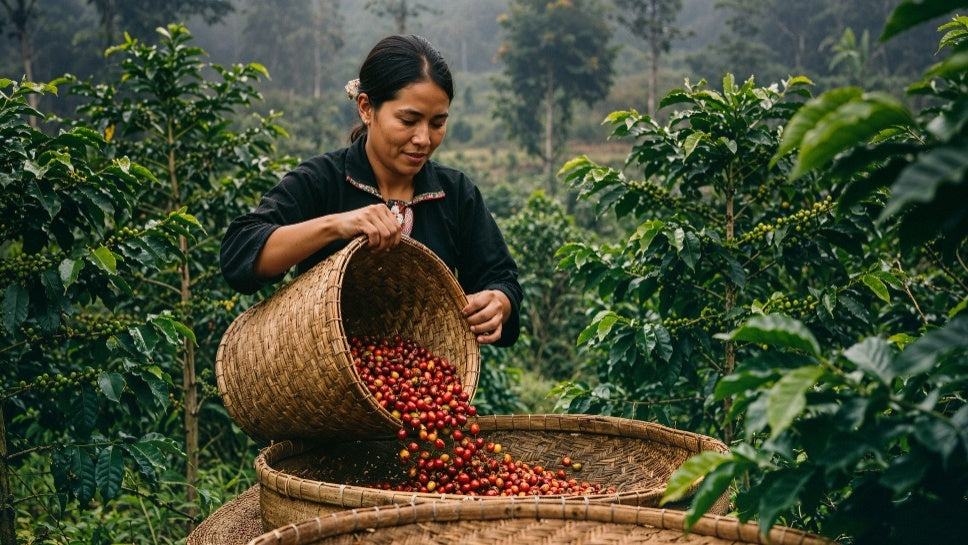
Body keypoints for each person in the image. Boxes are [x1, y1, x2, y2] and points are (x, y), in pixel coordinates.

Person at [220, 34, 522, 347]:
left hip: (415, 385)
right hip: (322, 377)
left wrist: (498, 302)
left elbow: (501, 277)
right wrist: (336, 224)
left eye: (437, 123)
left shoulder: (456, 194)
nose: (423, 138)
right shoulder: (322, 180)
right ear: (366, 108)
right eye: (408, 120)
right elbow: (240, 253)